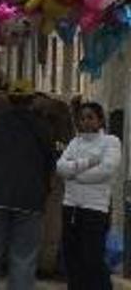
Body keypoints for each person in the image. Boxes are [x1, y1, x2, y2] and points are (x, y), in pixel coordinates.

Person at [0, 87, 55, 290]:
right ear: (31, 100)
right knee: (23, 257)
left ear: (8, 99)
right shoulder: (42, 127)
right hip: (30, 201)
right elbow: (52, 163)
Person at [57, 101, 121, 290]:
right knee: (72, 258)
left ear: (100, 120)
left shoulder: (110, 142)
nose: (85, 122)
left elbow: (106, 170)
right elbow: (60, 168)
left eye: (90, 117)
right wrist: (87, 163)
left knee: (92, 259)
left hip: (95, 209)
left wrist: (75, 175)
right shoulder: (74, 142)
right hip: (70, 207)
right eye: (82, 118)